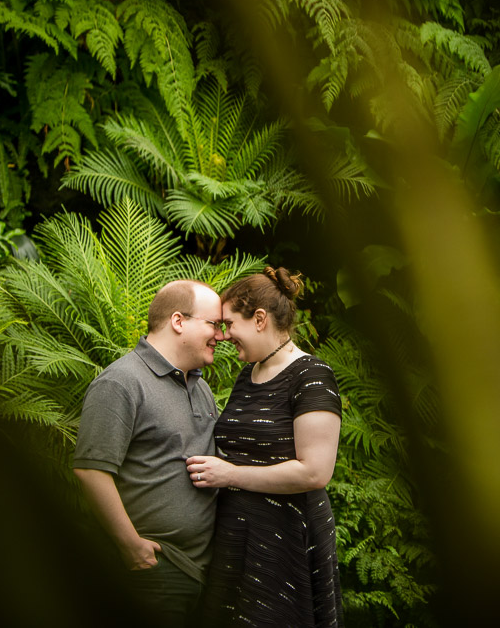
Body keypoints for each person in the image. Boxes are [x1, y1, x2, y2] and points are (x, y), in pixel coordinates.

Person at [186, 267, 344, 627]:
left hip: (286, 535)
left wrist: (230, 474)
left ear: (259, 319)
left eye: (228, 325)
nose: (223, 336)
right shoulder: (249, 374)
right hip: (238, 536)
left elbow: (315, 471)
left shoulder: (312, 376)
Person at [73, 280, 226, 628]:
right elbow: (91, 471)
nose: (221, 335)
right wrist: (131, 547)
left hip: (201, 572)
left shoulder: (199, 385)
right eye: (213, 324)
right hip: (152, 571)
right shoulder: (121, 382)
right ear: (178, 321)